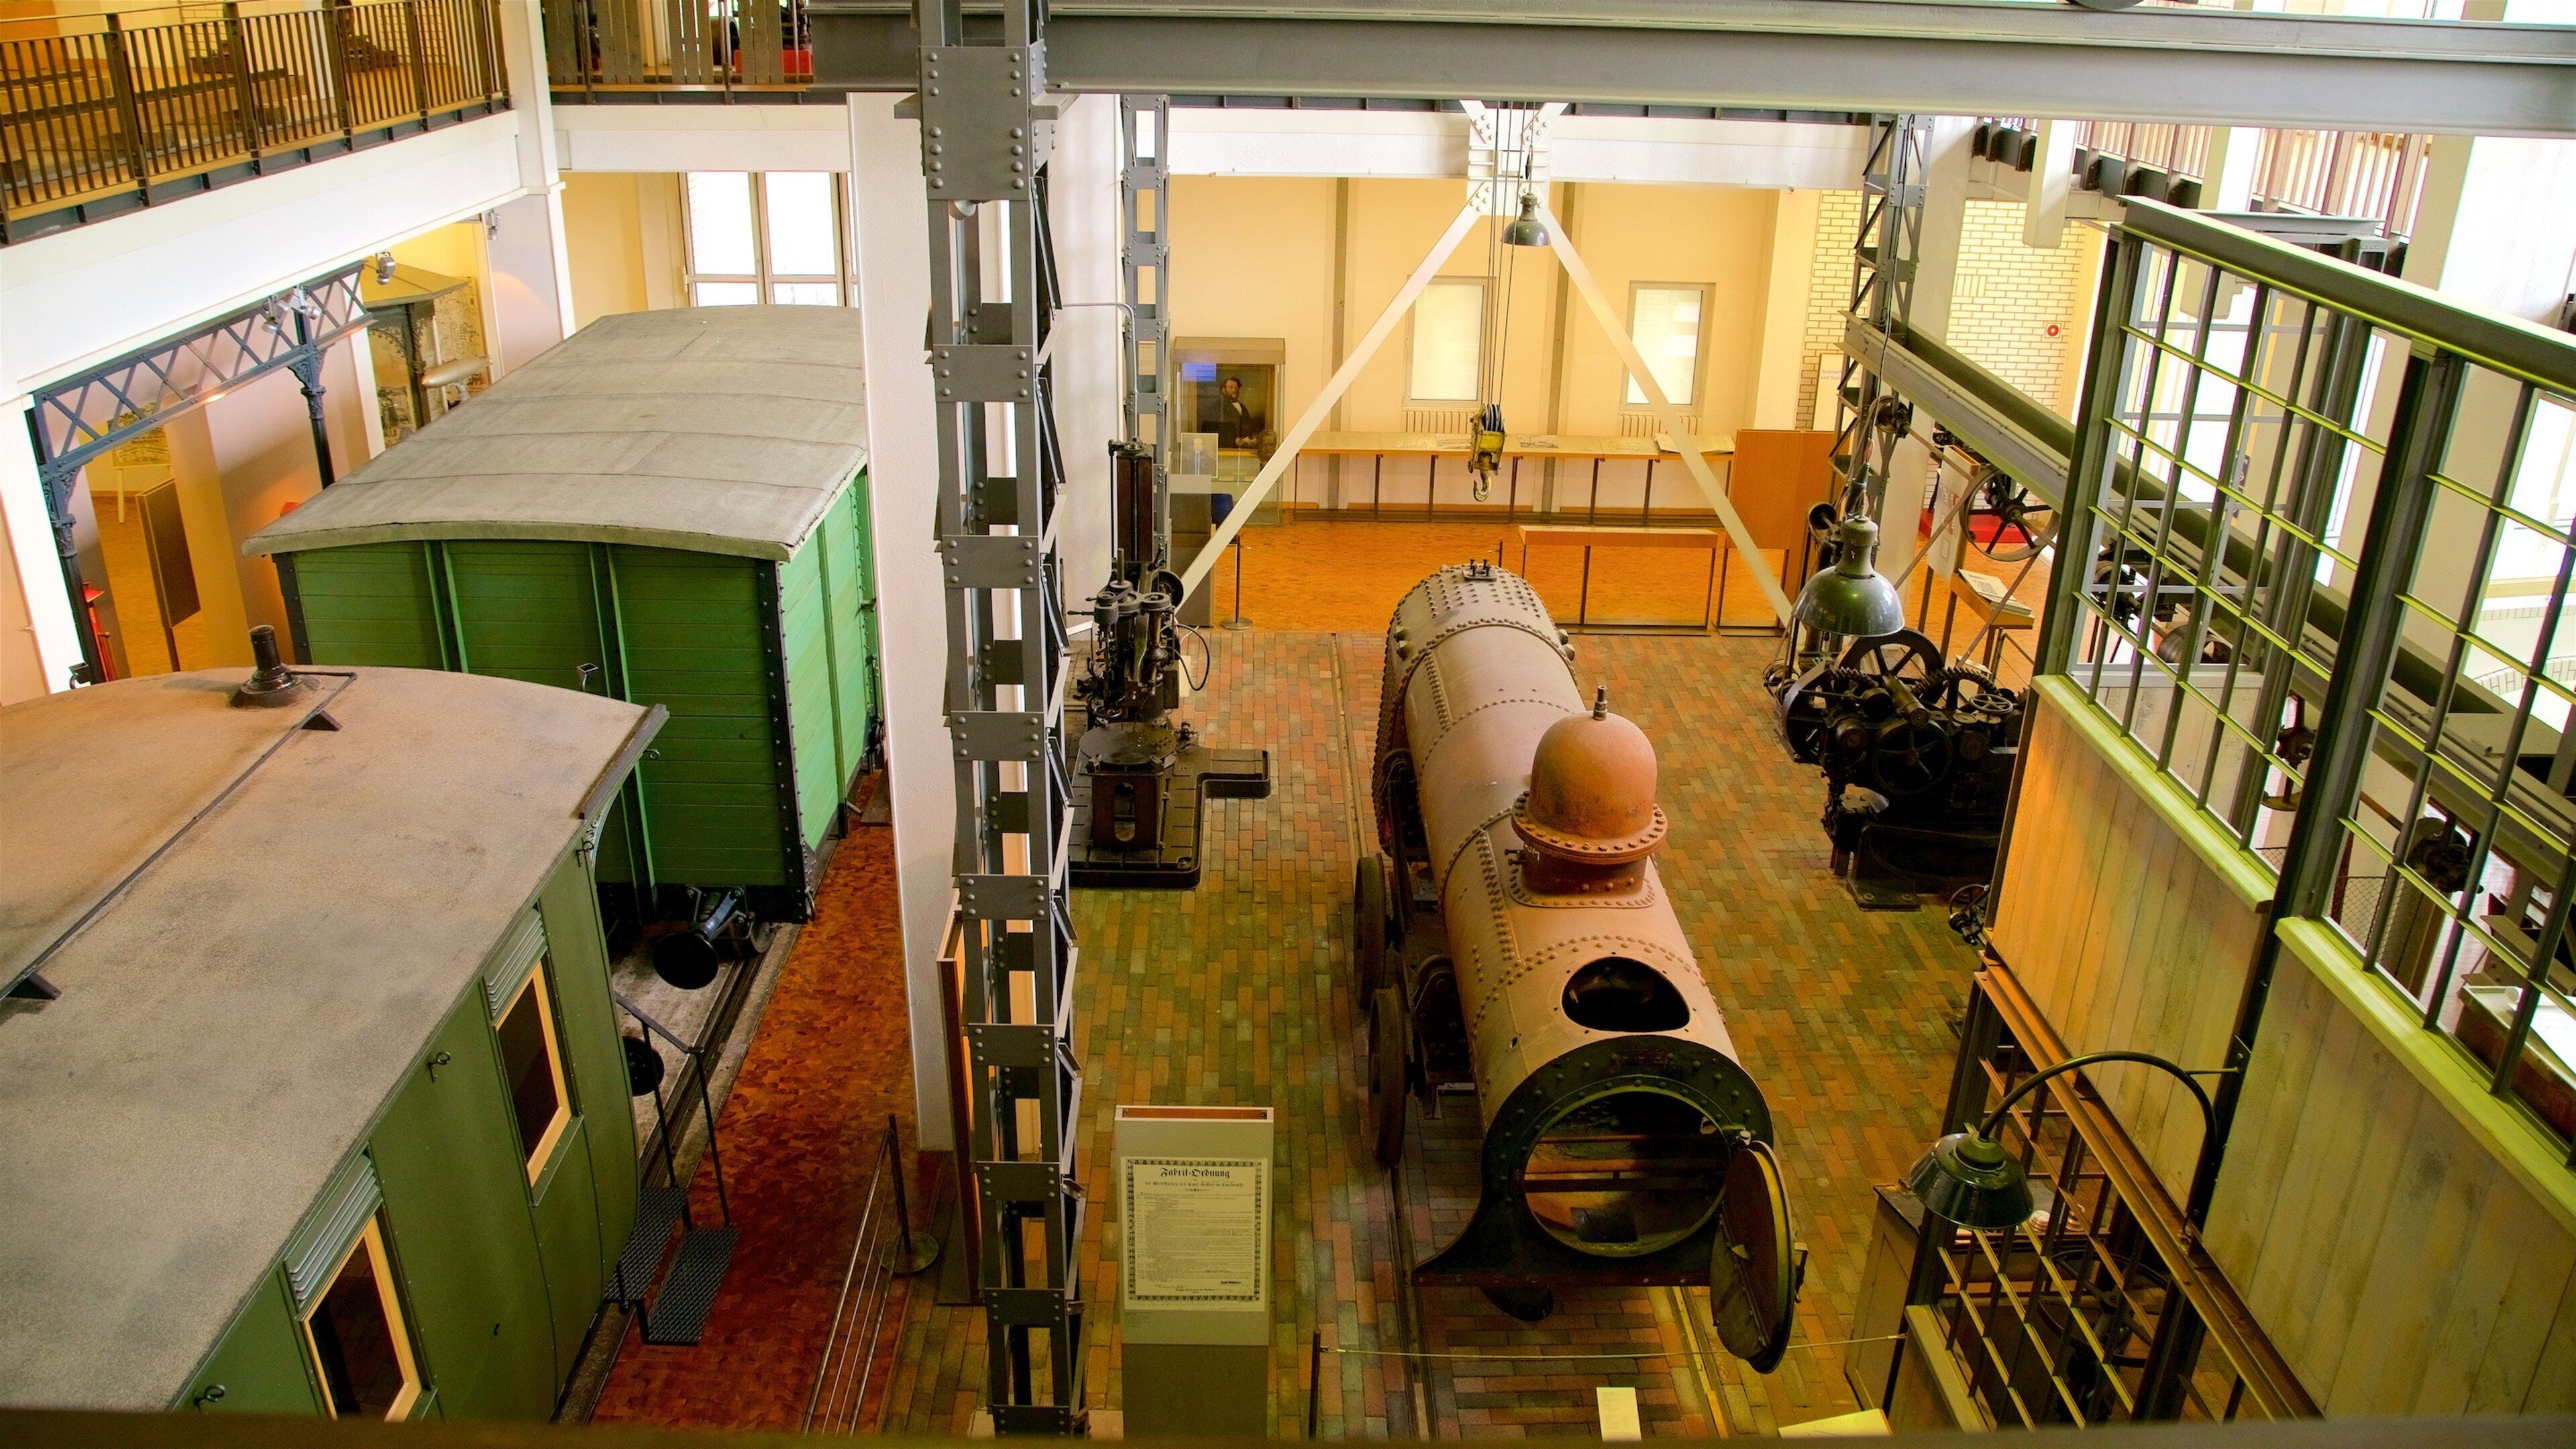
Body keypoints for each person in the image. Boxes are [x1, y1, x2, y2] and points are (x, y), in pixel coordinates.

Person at [1216, 375, 1264, 449]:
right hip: (1228, 449)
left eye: (1236, 388)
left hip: (1245, 449)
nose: (1235, 390)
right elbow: (1216, 431)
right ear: (1223, 390)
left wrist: (1252, 437)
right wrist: (1234, 440)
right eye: (1231, 388)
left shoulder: (1243, 408)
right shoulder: (1218, 407)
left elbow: (1249, 426)